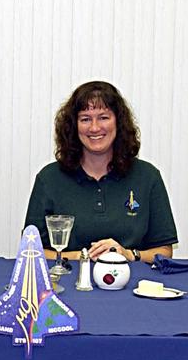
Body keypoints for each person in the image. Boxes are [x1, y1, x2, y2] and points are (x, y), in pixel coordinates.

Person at [23, 80, 176, 262]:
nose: (94, 128)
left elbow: (165, 251)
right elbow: (30, 251)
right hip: (67, 283)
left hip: (131, 285)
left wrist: (128, 254)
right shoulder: (49, 178)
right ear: (73, 127)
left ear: (119, 123)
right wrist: (84, 256)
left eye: (103, 117)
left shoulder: (148, 176)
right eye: (85, 119)